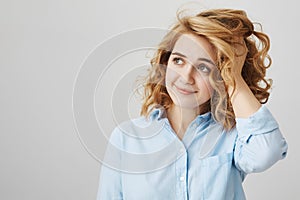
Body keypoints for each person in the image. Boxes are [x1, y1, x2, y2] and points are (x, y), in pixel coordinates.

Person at [97, 8, 288, 200]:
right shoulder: (126, 138)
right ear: (166, 62)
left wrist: (235, 78)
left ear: (222, 77)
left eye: (204, 67)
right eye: (178, 60)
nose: (186, 77)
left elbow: (267, 152)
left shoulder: (232, 136)